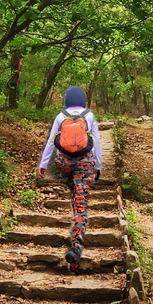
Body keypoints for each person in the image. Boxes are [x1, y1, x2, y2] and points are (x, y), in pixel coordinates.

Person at [37, 85, 102, 274]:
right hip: (85, 163)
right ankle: (76, 246)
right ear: (82, 100)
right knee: (81, 202)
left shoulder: (60, 116)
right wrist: (97, 166)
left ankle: (75, 205)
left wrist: (43, 164)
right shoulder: (89, 116)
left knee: (75, 193)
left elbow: (51, 141)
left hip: (63, 162)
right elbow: (96, 143)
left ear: (66, 100)